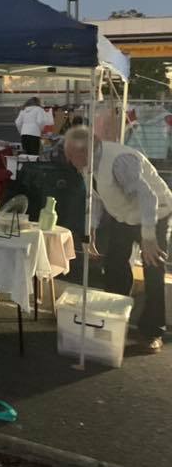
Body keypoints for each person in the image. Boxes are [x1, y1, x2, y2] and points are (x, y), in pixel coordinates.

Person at [63, 126, 169, 353]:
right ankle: (114, 321)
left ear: (84, 152)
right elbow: (96, 198)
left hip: (154, 214)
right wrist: (90, 232)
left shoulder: (121, 160)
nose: (68, 160)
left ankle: (153, 332)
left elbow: (147, 197)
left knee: (153, 272)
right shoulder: (87, 163)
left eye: (71, 155)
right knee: (114, 266)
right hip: (125, 215)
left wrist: (149, 237)